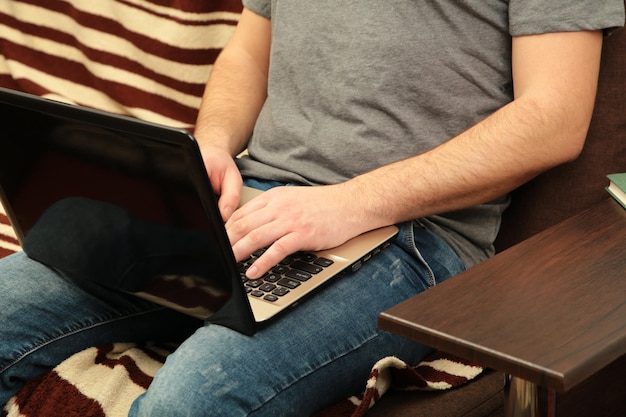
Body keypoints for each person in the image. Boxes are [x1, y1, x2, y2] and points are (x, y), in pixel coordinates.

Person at [1, 0, 624, 416]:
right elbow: (248, 56)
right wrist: (212, 147)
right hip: (246, 201)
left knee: (188, 403)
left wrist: (350, 203)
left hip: (406, 239)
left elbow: (553, 119)